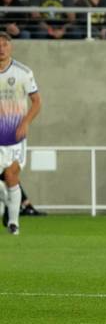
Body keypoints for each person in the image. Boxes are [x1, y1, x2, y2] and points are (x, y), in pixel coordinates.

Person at [0, 32, 42, 235]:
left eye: (5, 44)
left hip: (14, 136)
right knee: (4, 182)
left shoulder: (23, 72)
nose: (1, 48)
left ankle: (13, 223)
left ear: (11, 47)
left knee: (11, 176)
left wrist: (25, 122)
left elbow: (37, 101)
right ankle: (6, 203)